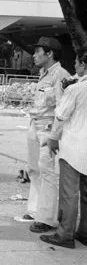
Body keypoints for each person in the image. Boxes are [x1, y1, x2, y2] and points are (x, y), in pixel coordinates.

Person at [21, 37, 70, 233]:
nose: (33, 56)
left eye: (37, 52)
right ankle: (35, 210)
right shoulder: (43, 74)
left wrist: (54, 137)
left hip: (48, 130)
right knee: (34, 170)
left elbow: (62, 110)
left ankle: (47, 218)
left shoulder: (60, 76)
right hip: (35, 125)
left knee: (47, 173)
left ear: (49, 53)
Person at [39, 52, 87, 249]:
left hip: (73, 146)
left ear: (83, 64)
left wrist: (52, 139)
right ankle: (84, 232)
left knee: (69, 193)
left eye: (76, 63)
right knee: (85, 193)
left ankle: (65, 233)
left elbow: (60, 115)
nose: (75, 67)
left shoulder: (76, 89)